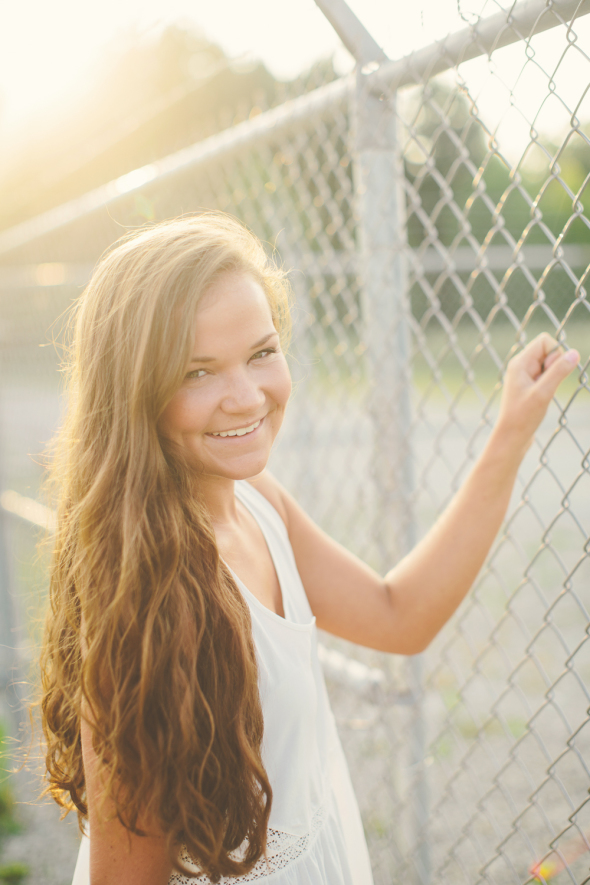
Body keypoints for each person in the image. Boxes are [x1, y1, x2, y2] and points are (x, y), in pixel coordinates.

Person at [40, 212, 579, 885]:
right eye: (197, 371)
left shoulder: (260, 502)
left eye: (262, 352)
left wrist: (510, 432)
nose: (246, 397)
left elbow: (398, 613)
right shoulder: (149, 601)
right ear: (134, 392)